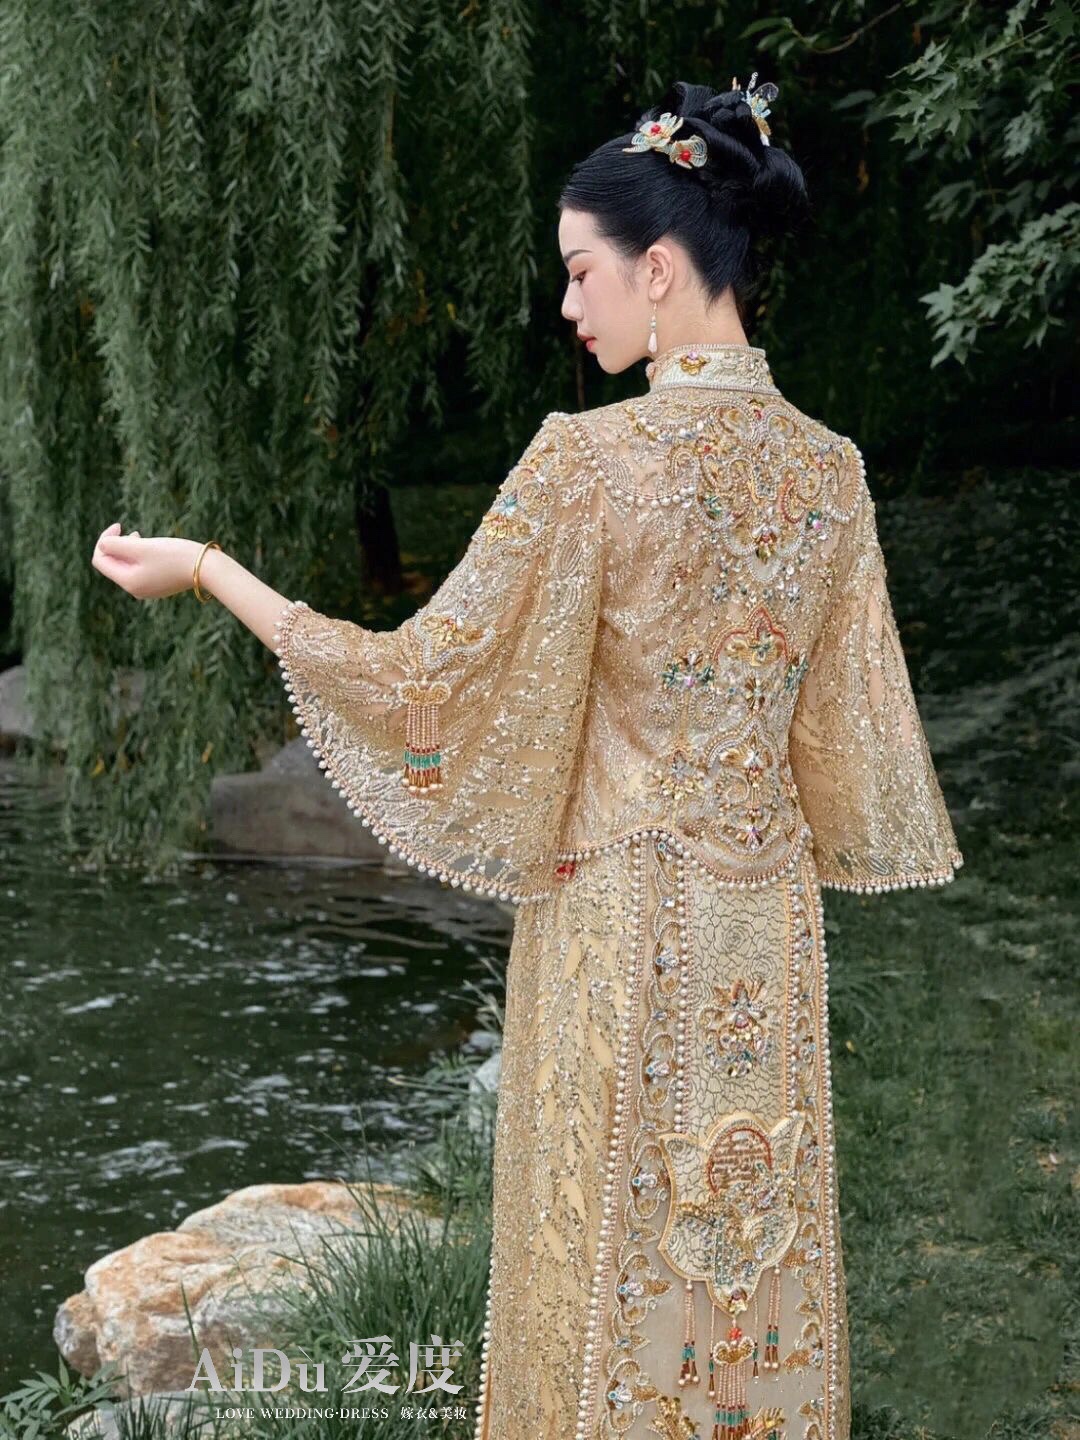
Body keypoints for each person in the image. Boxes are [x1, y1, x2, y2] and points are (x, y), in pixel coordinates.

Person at [92, 76, 963, 1440]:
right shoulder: (831, 473)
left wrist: (211, 569)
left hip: (618, 925)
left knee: (598, 1257)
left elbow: (417, 684)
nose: (568, 305)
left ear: (659, 269)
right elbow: (843, 746)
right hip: (767, 933)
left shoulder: (589, 463)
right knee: (749, 1249)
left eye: (580, 271)